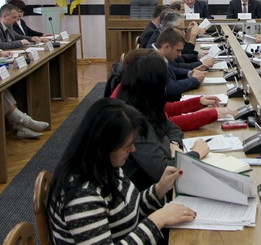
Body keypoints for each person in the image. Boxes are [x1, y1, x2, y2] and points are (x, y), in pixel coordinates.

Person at [48, 98, 196, 244]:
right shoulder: (82, 196)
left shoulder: (106, 167)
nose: (133, 149)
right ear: (103, 148)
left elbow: (127, 211)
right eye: (127, 146)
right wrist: (157, 220)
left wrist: (159, 190)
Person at [114, 50, 210, 190]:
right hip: (149, 193)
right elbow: (164, 173)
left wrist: (173, 144)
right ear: (152, 87)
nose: (165, 89)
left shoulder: (145, 105)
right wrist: (196, 153)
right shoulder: (132, 123)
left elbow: (173, 128)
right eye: (163, 85)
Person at [111, 49, 236, 131]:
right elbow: (167, 123)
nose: (165, 87)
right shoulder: (131, 105)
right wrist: (212, 114)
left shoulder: (132, 88)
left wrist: (199, 102)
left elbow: (164, 109)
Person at [154, 28, 205, 102]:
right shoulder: (153, 61)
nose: (180, 54)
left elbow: (174, 70)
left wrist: (190, 73)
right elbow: (172, 88)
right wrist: (194, 79)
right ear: (166, 47)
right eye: (178, 50)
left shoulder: (159, 56)